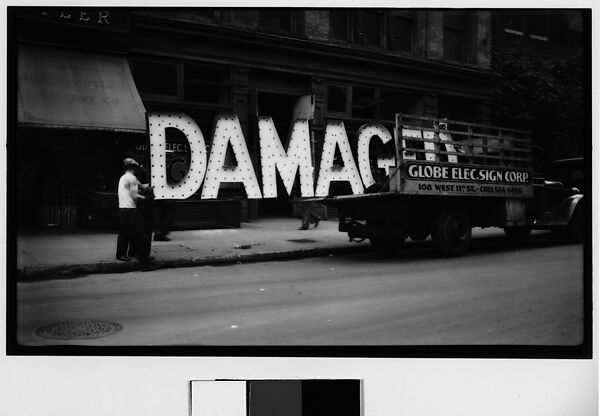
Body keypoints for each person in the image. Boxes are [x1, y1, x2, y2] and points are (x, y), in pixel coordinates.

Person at [116, 158, 156, 271]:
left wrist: (147, 187)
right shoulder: (132, 178)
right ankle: (144, 263)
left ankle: (121, 255)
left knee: (125, 233)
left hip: (122, 209)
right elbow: (134, 196)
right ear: (134, 168)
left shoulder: (124, 177)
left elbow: (140, 186)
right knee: (142, 236)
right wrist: (146, 198)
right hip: (130, 210)